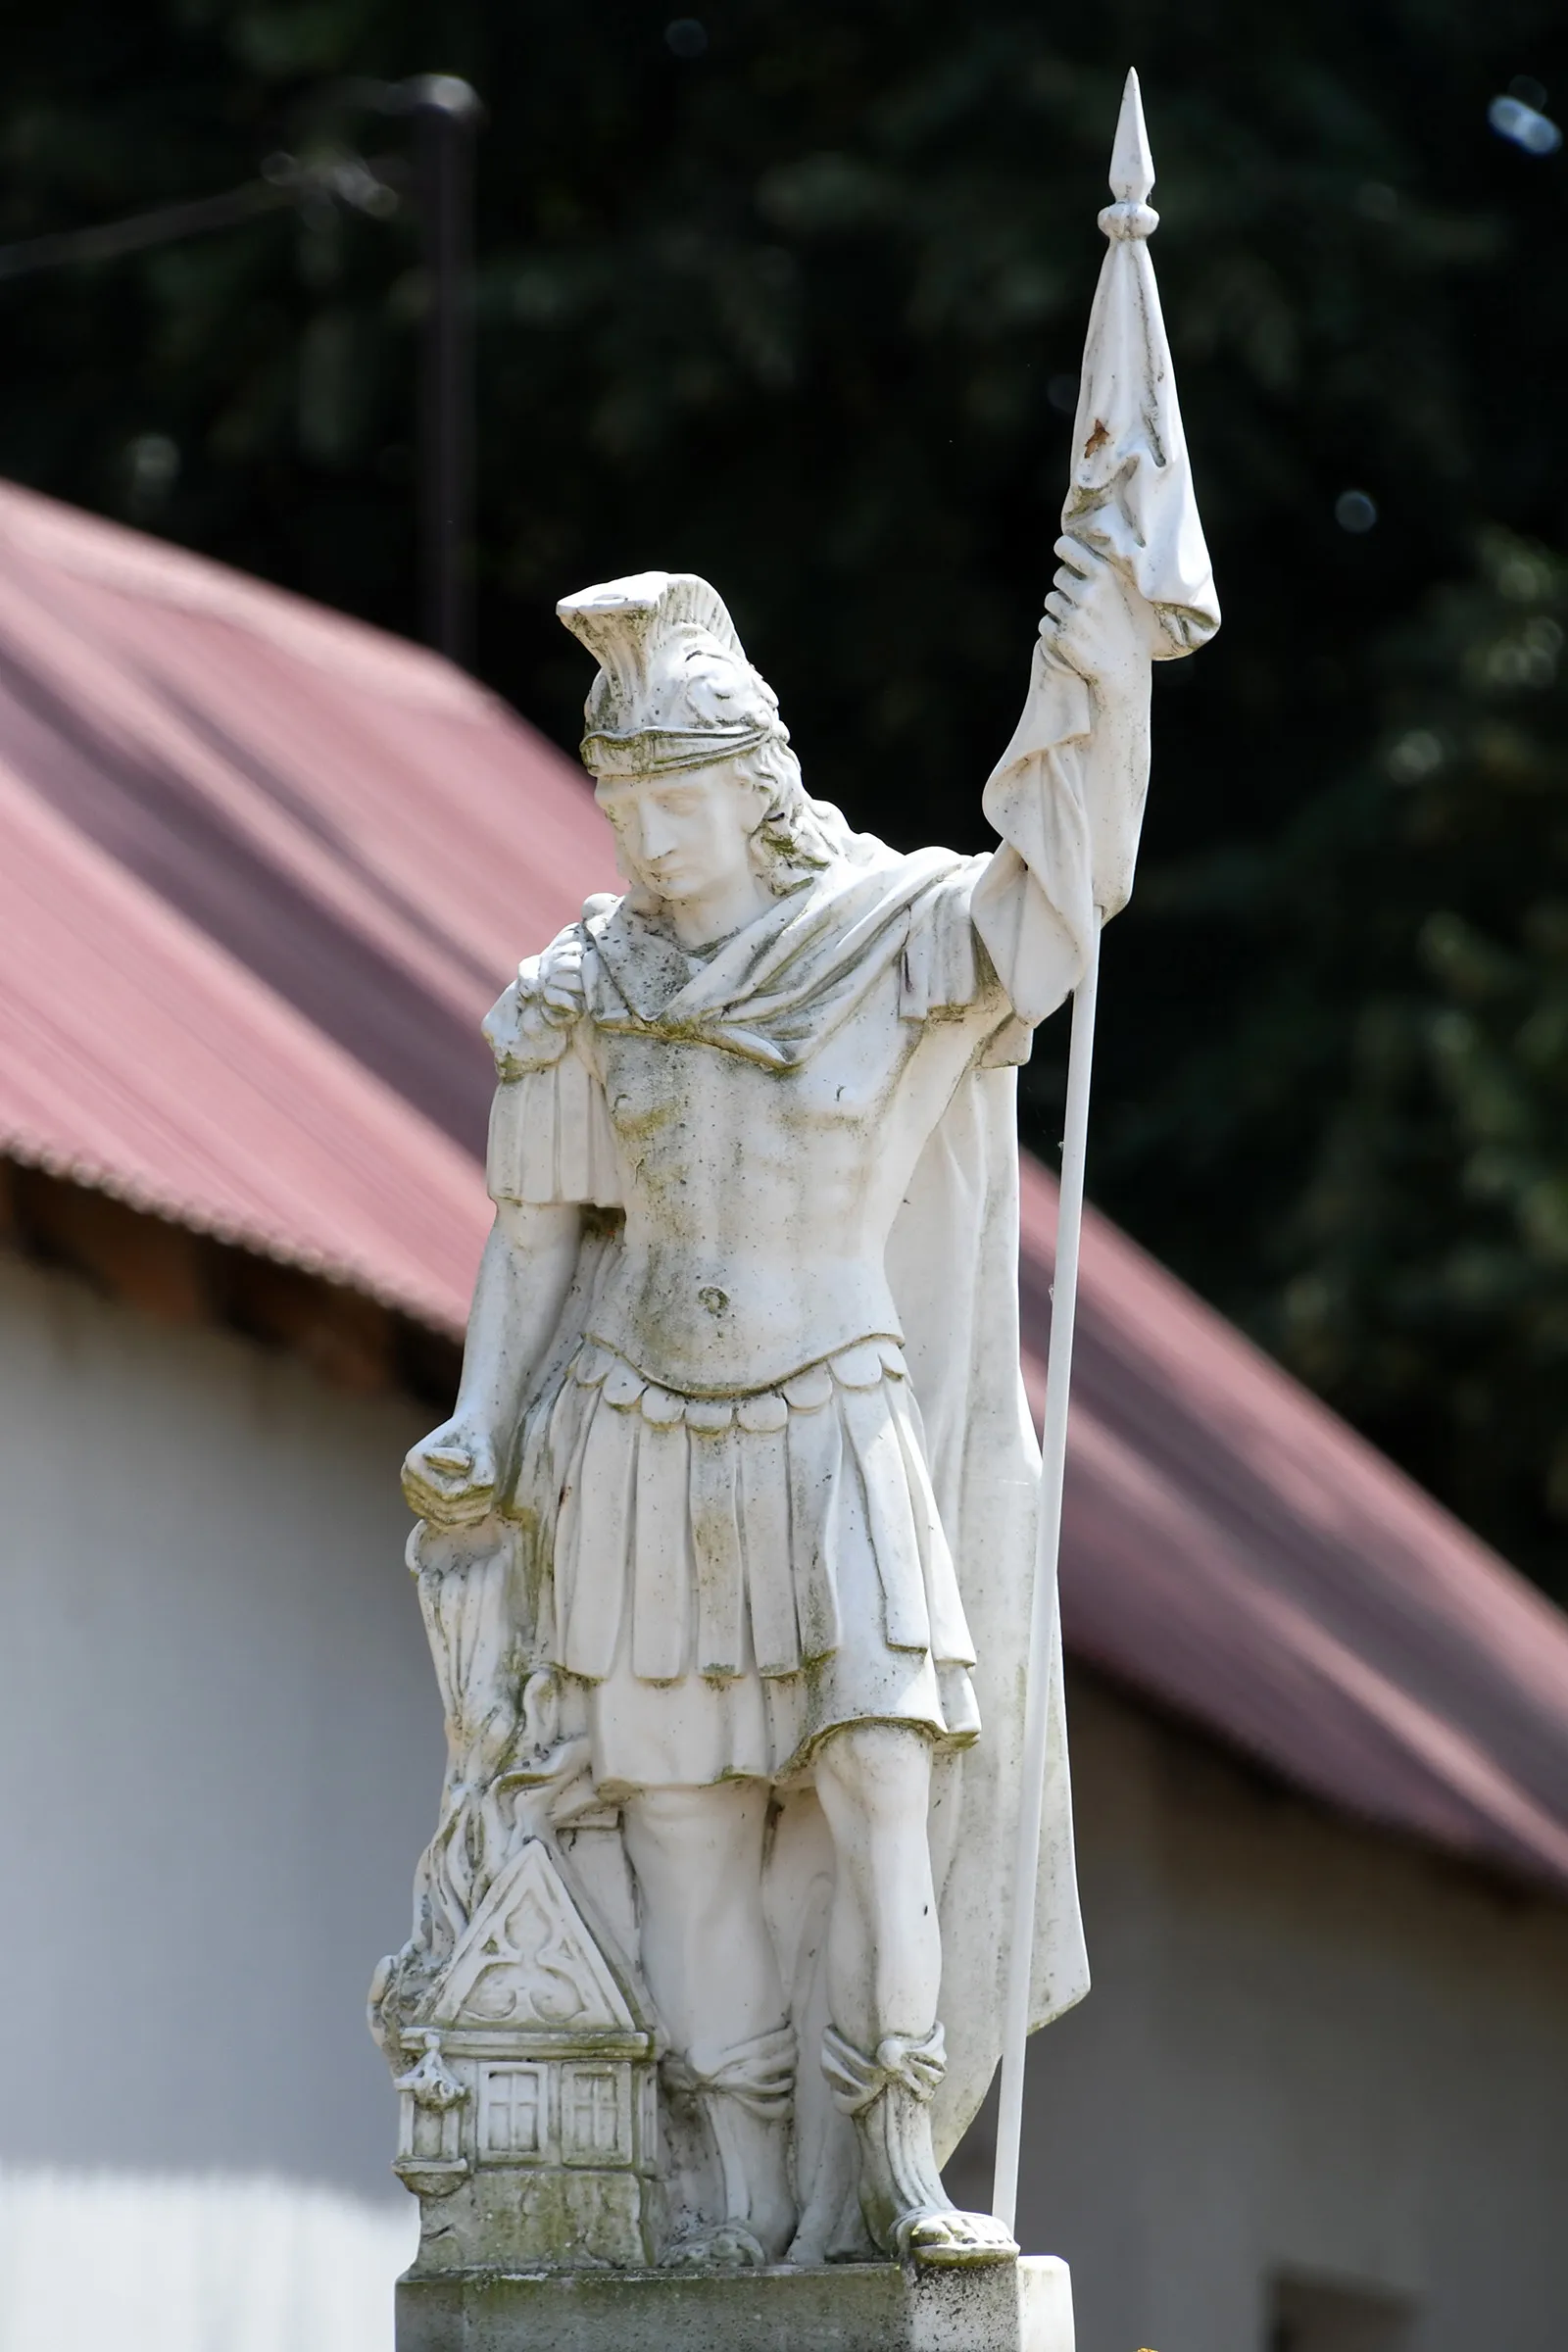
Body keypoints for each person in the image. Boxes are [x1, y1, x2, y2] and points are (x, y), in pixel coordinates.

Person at [401, 556, 1148, 2267]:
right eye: (622, 801)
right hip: (639, 1436)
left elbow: (1053, 903)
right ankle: (727, 2196)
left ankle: (889, 2165)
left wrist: (1097, 674)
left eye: (678, 794)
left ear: (756, 783)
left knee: (885, 1784)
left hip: (835, 1422)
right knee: (682, 1826)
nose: (651, 839)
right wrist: (480, 1423)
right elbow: (535, 1239)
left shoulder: (885, 942)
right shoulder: (583, 990)